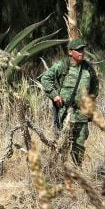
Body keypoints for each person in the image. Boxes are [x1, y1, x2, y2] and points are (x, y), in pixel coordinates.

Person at [40, 38, 100, 166]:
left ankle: (77, 171)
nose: (81, 52)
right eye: (78, 50)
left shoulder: (88, 68)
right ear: (70, 52)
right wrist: (54, 95)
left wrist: (91, 98)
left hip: (82, 113)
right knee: (62, 143)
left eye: (82, 49)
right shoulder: (63, 65)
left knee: (79, 143)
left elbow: (95, 85)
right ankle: (58, 170)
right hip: (65, 112)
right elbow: (45, 78)